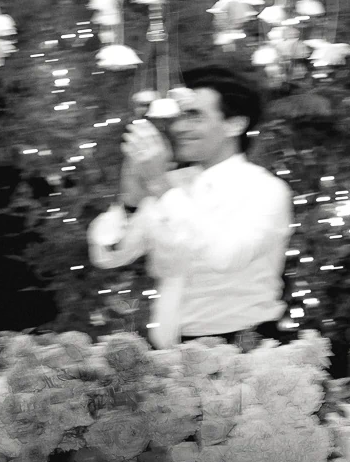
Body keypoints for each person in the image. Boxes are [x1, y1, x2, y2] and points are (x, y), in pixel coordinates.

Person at [88, 65, 292, 348]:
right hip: (173, 353)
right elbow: (110, 257)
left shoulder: (266, 190)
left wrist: (160, 185)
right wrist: (130, 201)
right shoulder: (171, 184)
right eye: (179, 116)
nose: (179, 127)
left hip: (249, 352)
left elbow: (226, 256)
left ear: (235, 124)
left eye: (194, 116)